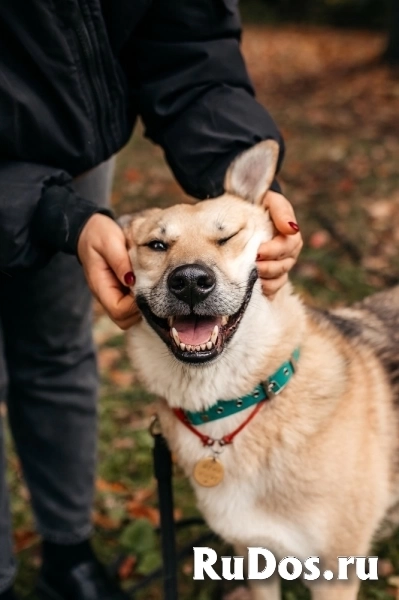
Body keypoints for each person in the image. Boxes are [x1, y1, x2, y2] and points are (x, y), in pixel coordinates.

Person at [0, 1, 303, 599]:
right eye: (160, 246)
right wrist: (53, 215)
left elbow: (188, 45)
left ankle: (69, 555)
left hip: (71, 150)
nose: (191, 269)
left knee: (58, 352)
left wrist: (240, 169)